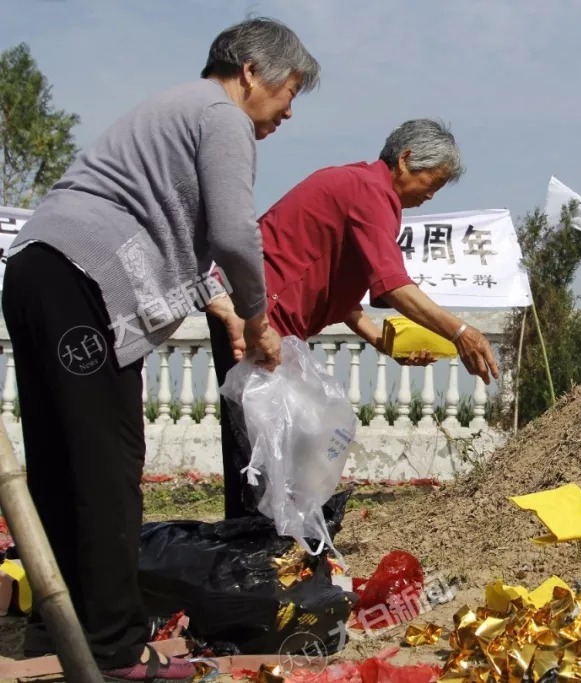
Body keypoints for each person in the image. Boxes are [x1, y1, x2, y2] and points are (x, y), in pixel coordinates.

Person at [1, 17, 320, 681]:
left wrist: (231, 312)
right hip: (80, 282)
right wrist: (260, 318)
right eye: (289, 91)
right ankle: (116, 648)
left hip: (38, 271)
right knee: (105, 464)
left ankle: (51, 630)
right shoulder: (221, 116)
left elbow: (190, 250)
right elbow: (236, 235)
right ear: (252, 71)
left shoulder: (175, 112)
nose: (289, 111)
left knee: (63, 464)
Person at [204, 118, 500, 519]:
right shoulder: (370, 191)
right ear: (407, 159)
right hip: (254, 316)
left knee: (280, 444)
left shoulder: (369, 193)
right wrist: (461, 332)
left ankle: (268, 542)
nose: (433, 193)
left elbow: (344, 297)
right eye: (435, 180)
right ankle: (249, 558)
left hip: (274, 322)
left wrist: (382, 341)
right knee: (257, 451)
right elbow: (395, 286)